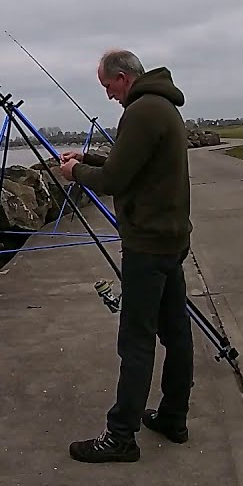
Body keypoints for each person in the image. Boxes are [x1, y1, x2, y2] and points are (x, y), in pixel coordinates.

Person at [58, 48, 194, 463]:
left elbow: (116, 179)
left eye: (107, 86)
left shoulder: (140, 111)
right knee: (175, 333)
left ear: (122, 77)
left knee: (135, 341)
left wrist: (73, 172)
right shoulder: (163, 106)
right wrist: (89, 157)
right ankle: (173, 417)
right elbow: (136, 164)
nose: (108, 95)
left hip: (148, 246)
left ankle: (121, 436)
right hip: (170, 240)